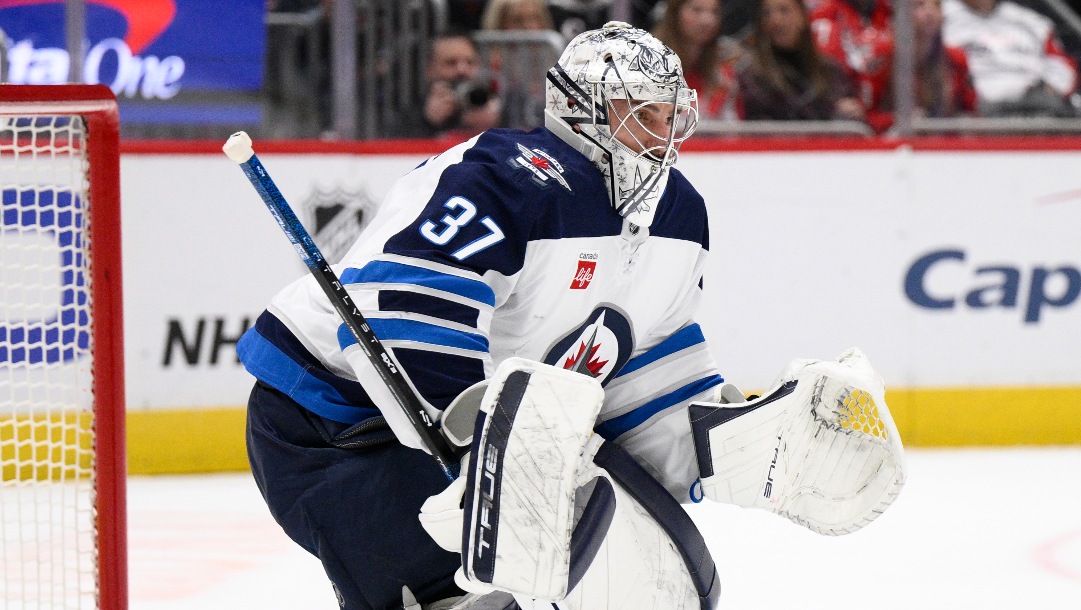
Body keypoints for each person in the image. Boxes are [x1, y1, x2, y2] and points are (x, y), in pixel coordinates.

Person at [239, 21, 905, 610]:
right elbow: (407, 312)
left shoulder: (680, 217)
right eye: (635, 109)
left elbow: (646, 385)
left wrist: (735, 446)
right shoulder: (505, 175)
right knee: (455, 602)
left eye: (667, 112)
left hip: (492, 442)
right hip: (333, 426)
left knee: (655, 588)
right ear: (579, 110)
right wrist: (476, 453)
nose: (659, 130)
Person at [942, 0, 1079, 117]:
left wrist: (1054, 85)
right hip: (981, 107)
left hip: (1035, 100)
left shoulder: (1029, 20)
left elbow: (1063, 63)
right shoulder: (940, 16)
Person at [737, 0, 866, 120]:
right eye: (766, 14)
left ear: (802, 17)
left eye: (784, 10)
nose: (775, 20)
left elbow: (852, 117)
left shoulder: (830, 70)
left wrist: (851, 112)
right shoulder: (752, 76)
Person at [861, 0, 977, 132]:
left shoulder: (957, 58)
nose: (930, 12)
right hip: (891, 142)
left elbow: (971, 112)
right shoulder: (882, 55)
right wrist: (897, 120)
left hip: (941, 142)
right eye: (920, 5)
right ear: (902, 14)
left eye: (936, 5)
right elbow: (865, 116)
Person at [392, 31, 502, 139]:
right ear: (430, 69)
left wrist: (494, 126)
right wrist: (428, 122)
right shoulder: (412, 113)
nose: (462, 70)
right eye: (451, 63)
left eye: (470, 62)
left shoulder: (495, 105)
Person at [653, 0, 746, 120]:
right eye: (697, 10)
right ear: (674, 14)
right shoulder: (646, 68)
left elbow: (734, 132)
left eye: (714, 12)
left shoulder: (725, 77)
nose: (708, 21)